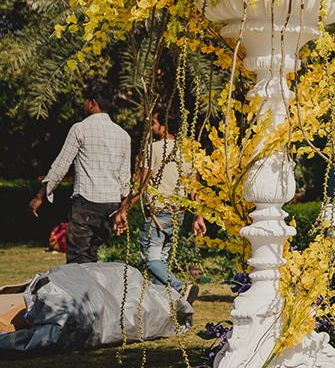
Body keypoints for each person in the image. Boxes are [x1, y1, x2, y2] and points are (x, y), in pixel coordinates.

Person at [28, 80, 132, 264]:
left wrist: (39, 196)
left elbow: (61, 165)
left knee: (77, 259)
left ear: (92, 103)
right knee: (90, 257)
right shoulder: (123, 135)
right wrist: (122, 210)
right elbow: (125, 179)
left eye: (85, 101)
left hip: (87, 205)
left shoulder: (80, 129)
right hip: (111, 207)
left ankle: (82, 284)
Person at [116, 106, 205, 303]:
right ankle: (162, 306)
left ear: (164, 126)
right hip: (178, 216)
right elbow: (194, 188)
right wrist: (198, 216)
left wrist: (124, 210)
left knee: (150, 259)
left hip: (158, 216)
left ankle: (180, 287)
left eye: (154, 123)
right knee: (161, 262)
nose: (151, 126)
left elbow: (141, 185)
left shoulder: (153, 149)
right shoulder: (188, 152)